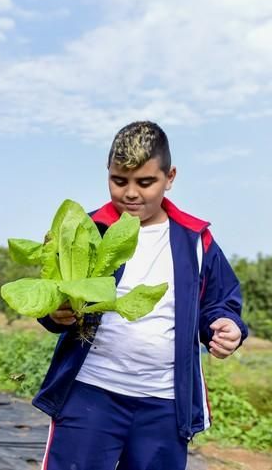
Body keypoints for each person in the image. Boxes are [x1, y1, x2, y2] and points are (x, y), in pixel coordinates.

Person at [35, 121, 247, 470]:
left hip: (163, 406)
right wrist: (54, 312)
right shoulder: (85, 231)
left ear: (170, 177)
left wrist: (225, 326)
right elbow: (51, 293)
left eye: (145, 182)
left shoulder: (195, 239)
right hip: (91, 394)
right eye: (119, 181)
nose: (131, 193)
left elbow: (221, 303)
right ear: (108, 173)